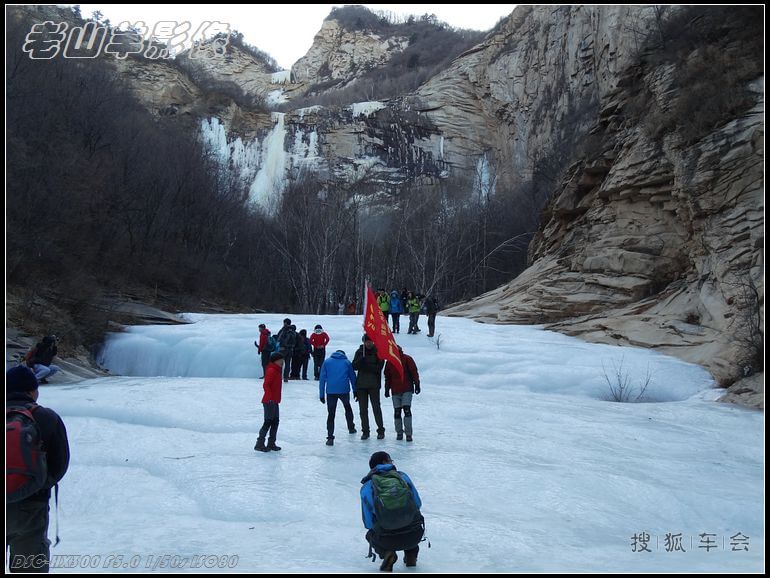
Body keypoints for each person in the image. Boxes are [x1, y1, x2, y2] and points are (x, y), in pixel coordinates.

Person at [6, 366, 70, 573]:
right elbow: (59, 465)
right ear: (33, 391)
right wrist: (34, 485)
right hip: (31, 508)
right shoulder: (47, 418)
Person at [360, 451, 424, 572]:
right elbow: (418, 503)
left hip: (386, 539)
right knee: (411, 519)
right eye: (390, 460)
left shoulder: (368, 486)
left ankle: (387, 553)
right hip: (414, 535)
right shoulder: (402, 477)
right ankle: (411, 553)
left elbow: (368, 523)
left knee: (369, 534)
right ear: (385, 462)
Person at [319, 350, 358, 446]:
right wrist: (355, 390)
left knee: (331, 414)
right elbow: (353, 377)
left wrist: (321, 394)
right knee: (347, 408)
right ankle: (351, 427)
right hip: (343, 390)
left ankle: (330, 437)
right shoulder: (346, 362)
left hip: (331, 391)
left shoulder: (327, 362)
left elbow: (322, 379)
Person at [352, 334, 386, 440]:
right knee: (363, 410)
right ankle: (365, 431)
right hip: (361, 385)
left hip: (374, 385)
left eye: (370, 341)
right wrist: (360, 361)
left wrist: (365, 365)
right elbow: (354, 366)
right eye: (366, 342)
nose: (368, 343)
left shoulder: (378, 352)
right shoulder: (359, 352)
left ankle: (380, 430)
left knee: (376, 408)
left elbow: (379, 368)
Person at [384, 346, 421, 442]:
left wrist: (417, 384)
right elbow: (387, 376)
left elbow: (414, 372)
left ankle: (408, 434)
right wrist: (387, 389)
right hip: (395, 390)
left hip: (406, 389)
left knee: (406, 410)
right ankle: (399, 432)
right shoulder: (390, 361)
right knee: (397, 412)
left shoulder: (407, 359)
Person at [254, 351, 284, 452]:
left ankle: (271, 443)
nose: (282, 362)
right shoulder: (272, 370)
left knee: (275, 422)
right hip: (269, 400)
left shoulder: (277, 370)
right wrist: (270, 397)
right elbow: (266, 385)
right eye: (280, 360)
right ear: (275, 361)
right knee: (268, 422)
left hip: (274, 400)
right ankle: (259, 443)